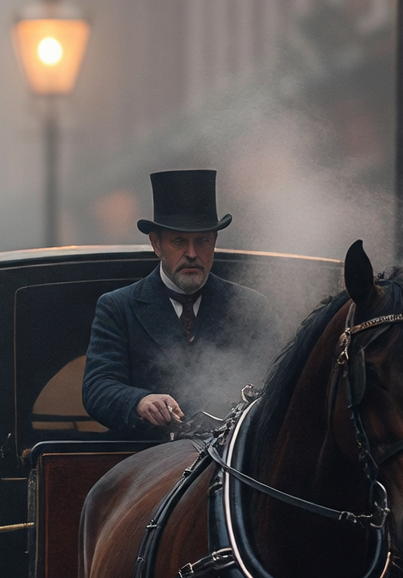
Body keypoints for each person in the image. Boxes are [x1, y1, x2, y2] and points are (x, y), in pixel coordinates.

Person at [82, 169, 279, 442]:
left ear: (214, 242)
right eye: (178, 242)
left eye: (202, 241)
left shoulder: (250, 307)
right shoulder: (118, 307)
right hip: (145, 468)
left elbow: (276, 384)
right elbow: (97, 386)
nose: (191, 254)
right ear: (156, 244)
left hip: (232, 462)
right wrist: (140, 402)